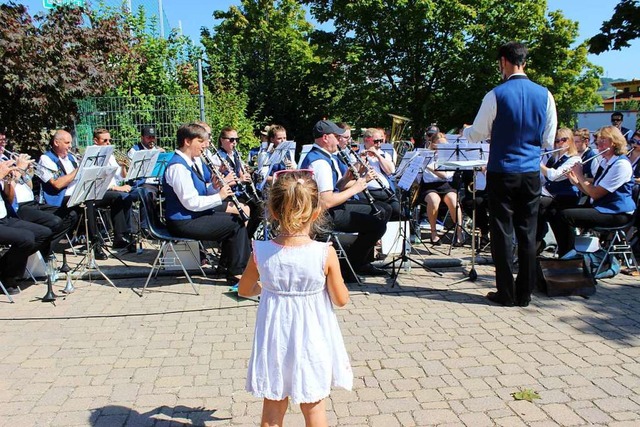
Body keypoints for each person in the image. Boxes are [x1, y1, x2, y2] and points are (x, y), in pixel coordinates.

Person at [238, 170, 352, 427]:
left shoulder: (261, 251)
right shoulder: (325, 253)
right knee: (314, 408)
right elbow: (341, 299)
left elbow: (244, 290)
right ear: (316, 212)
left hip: (274, 338)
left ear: (274, 211)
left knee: (272, 408)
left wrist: (265, 289)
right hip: (313, 338)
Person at [463, 41, 557, 307]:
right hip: (529, 172)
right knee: (528, 232)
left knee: (502, 231)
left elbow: (478, 134)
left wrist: (466, 131)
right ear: (524, 61)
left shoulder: (496, 94)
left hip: (502, 170)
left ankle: (505, 293)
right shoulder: (545, 95)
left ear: (503, 61)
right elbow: (548, 139)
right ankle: (524, 293)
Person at [300, 120, 390, 281]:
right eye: (336, 136)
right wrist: (356, 187)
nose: (339, 140)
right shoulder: (320, 162)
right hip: (323, 216)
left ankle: (360, 261)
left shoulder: (322, 156)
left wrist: (346, 179)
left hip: (329, 210)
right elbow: (326, 201)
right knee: (377, 224)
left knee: (382, 209)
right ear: (326, 138)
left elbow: (333, 188)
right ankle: (350, 267)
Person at [163, 123, 250, 286]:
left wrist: (214, 187)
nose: (206, 144)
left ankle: (227, 266)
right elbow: (191, 202)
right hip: (183, 221)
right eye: (201, 141)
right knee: (235, 224)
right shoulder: (177, 167)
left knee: (235, 217)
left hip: (192, 215)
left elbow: (199, 191)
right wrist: (220, 196)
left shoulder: (191, 161)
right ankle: (236, 273)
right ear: (187, 141)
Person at [558, 126, 635, 252]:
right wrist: (576, 182)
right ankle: (567, 252)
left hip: (617, 213)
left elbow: (595, 194)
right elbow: (591, 191)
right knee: (557, 210)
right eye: (598, 142)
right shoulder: (606, 162)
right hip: (603, 207)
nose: (599, 146)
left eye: (603, 141)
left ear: (614, 142)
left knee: (565, 215)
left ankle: (570, 253)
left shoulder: (621, 165)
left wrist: (580, 175)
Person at [0, 131, 74, 260]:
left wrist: (26, 173)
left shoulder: (6, 159)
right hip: (18, 207)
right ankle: (33, 258)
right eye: (0, 142)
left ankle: (41, 253)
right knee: (53, 222)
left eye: (4, 141)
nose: (3, 145)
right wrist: (18, 171)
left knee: (70, 215)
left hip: (31, 202)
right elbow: (9, 198)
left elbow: (29, 186)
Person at [0, 158, 52, 295]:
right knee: (26, 238)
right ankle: (7, 276)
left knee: (43, 233)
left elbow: (9, 200)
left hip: (4, 217)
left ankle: (5, 269)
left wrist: (8, 181)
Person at [537, 128, 581, 256]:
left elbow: (554, 176)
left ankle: (541, 244)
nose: (559, 143)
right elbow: (544, 178)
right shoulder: (554, 158)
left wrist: (537, 163)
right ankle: (536, 244)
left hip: (566, 197)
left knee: (539, 208)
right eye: (556, 141)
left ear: (570, 141)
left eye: (563, 140)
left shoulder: (574, 159)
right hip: (552, 196)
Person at [91, 128, 135, 251]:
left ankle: (127, 233)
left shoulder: (110, 155)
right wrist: (117, 188)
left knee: (130, 195)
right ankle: (119, 237)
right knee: (119, 197)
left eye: (110, 140)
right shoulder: (94, 156)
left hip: (112, 190)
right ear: (95, 141)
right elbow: (98, 181)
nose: (109, 143)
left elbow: (121, 177)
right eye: (105, 140)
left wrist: (123, 166)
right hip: (98, 192)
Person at [420, 132, 464, 246]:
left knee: (454, 201)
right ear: (433, 144)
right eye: (439, 146)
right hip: (429, 186)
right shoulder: (426, 155)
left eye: (445, 146)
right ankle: (433, 233)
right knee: (434, 200)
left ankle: (459, 233)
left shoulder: (450, 156)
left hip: (446, 185)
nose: (443, 149)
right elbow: (418, 175)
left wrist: (431, 168)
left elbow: (447, 176)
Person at [360, 128, 401, 219]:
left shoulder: (384, 154)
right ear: (366, 140)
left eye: (381, 140)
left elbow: (390, 171)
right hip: (368, 192)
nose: (379, 143)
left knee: (397, 209)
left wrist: (378, 155)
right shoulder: (357, 154)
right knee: (383, 211)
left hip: (385, 190)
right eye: (376, 141)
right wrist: (362, 159)